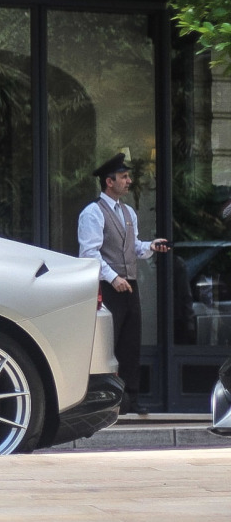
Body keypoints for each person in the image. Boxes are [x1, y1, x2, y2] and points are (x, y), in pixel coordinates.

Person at [77, 152, 170, 415]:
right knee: (106, 344)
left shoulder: (128, 212)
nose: (129, 181)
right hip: (106, 288)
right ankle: (101, 401)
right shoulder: (93, 213)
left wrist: (150, 247)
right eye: (124, 177)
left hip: (129, 286)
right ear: (109, 182)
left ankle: (130, 400)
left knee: (130, 344)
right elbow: (89, 254)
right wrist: (113, 278)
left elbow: (133, 246)